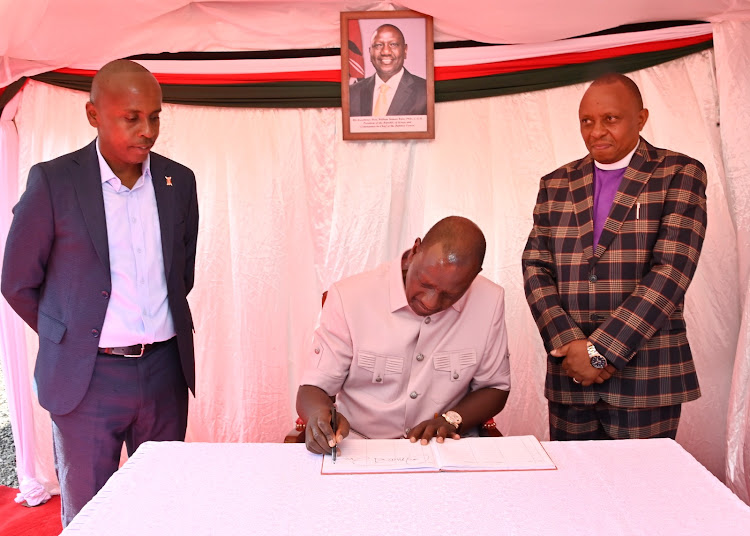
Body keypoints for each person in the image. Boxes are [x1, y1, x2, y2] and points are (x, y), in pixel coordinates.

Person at [1, 59, 199, 526]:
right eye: (132, 117)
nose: (147, 129)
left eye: (155, 116)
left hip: (164, 373)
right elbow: (17, 280)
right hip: (86, 380)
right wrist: (72, 336)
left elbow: (181, 275)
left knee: (164, 508)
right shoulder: (53, 182)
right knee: (90, 514)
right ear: (94, 115)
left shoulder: (179, 181)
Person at [522, 73, 707, 441]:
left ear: (641, 118)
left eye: (610, 118)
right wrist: (570, 343)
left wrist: (599, 352)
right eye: (587, 121)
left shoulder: (679, 173)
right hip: (571, 375)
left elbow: (671, 271)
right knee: (575, 492)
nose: (596, 131)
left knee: (643, 493)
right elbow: (536, 268)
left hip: (647, 377)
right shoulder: (556, 183)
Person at [297, 216, 510, 455]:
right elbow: (313, 389)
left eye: (451, 295)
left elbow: (495, 387)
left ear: (474, 275)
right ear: (415, 251)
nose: (431, 303)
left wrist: (451, 420)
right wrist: (319, 417)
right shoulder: (350, 297)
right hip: (361, 447)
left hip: (446, 451)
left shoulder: (490, 301)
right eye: (425, 283)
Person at [349, 23, 427, 117]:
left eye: (393, 44)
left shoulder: (425, 91)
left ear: (405, 50)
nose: (385, 52)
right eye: (378, 45)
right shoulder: (352, 93)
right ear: (370, 52)